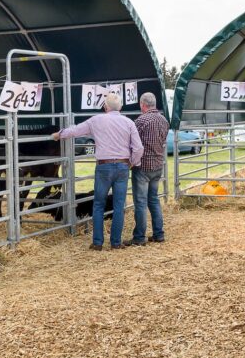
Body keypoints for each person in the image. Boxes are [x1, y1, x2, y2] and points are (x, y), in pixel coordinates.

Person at [53, 93, 143, 250]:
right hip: (122, 166)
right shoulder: (129, 122)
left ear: (105, 107)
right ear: (120, 107)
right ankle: (116, 242)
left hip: (103, 166)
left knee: (99, 204)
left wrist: (58, 135)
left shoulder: (96, 120)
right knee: (119, 205)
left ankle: (97, 242)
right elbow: (139, 148)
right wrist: (131, 162)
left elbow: (75, 130)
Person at [129, 92, 167, 245]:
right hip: (158, 165)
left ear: (142, 104)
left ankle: (139, 237)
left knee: (140, 202)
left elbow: (132, 141)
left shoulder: (141, 121)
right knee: (153, 200)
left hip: (143, 166)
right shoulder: (164, 120)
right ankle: (159, 233)